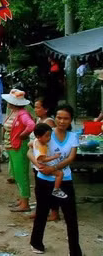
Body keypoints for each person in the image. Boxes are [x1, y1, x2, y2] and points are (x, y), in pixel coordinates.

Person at [29, 105, 83, 256]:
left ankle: (75, 250)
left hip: (64, 179)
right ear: (55, 118)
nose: (62, 121)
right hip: (44, 180)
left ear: (71, 120)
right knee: (42, 212)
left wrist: (53, 168)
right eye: (59, 117)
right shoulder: (46, 133)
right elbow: (29, 150)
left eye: (66, 118)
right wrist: (38, 164)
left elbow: (71, 157)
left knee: (71, 216)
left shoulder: (73, 137)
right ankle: (36, 243)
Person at [1, 89, 36, 213]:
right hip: (14, 146)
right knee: (18, 173)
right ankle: (22, 199)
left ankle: (24, 202)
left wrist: (22, 135)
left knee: (21, 174)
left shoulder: (22, 114)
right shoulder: (15, 112)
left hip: (19, 146)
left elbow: (31, 125)